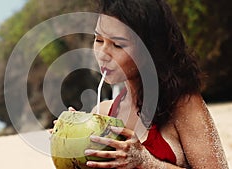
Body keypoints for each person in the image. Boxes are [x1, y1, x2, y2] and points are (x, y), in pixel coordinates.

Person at [81, 0, 228, 168]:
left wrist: (147, 162)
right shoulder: (104, 113)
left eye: (117, 44)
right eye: (98, 40)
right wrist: (68, 142)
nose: (102, 54)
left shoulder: (182, 105)